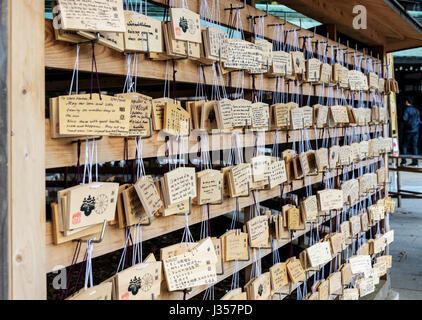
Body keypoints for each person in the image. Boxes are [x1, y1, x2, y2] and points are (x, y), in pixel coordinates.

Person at [401, 96, 421, 166]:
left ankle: (404, 161)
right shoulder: (417, 110)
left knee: (404, 146)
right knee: (414, 146)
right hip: (416, 130)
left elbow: (404, 119)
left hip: (408, 131)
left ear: (407, 102)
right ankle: (415, 162)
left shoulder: (406, 109)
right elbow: (418, 120)